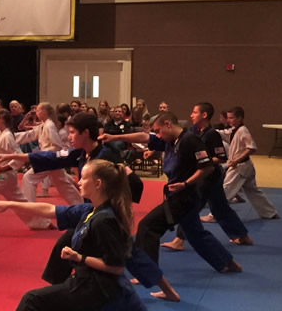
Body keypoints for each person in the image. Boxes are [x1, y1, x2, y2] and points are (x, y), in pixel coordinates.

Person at [101, 113, 242, 276]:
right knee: (195, 233)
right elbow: (144, 137)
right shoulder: (169, 140)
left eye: (159, 130)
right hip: (178, 195)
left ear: (168, 124)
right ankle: (229, 263)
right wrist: (114, 137)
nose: (158, 135)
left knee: (147, 227)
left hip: (185, 196)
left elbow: (208, 167)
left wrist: (185, 183)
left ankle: (148, 273)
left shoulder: (189, 140)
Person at [0, 160, 144, 311]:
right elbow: (48, 210)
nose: (78, 182)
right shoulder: (89, 210)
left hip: (97, 288)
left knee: (31, 300)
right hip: (85, 281)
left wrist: (79, 257)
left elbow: (116, 267)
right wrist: (10, 204)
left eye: (84, 178)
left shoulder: (104, 220)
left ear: (98, 184)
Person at [162, 103, 253, 251]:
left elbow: (221, 157)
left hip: (210, 177)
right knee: (220, 208)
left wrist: (202, 163)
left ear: (204, 115)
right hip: (202, 177)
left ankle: (179, 240)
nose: (191, 115)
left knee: (191, 208)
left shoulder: (212, 134)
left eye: (194, 112)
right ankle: (243, 235)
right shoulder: (192, 132)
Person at [205, 107, 279, 221]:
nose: (228, 120)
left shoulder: (243, 130)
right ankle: (270, 213)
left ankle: (214, 215)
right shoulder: (234, 130)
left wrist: (236, 160)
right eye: (228, 118)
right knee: (253, 191)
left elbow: (252, 148)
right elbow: (223, 134)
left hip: (240, 166)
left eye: (231, 118)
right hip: (246, 166)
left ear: (239, 118)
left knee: (225, 189)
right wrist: (208, 130)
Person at [21, 103, 82, 212]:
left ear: (44, 112)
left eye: (38, 110)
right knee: (62, 183)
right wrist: (12, 137)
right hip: (50, 158)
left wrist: (42, 154)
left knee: (28, 178)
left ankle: (30, 210)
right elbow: (29, 135)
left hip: (50, 158)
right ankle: (81, 206)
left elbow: (57, 145)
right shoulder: (44, 124)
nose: (37, 113)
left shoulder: (49, 125)